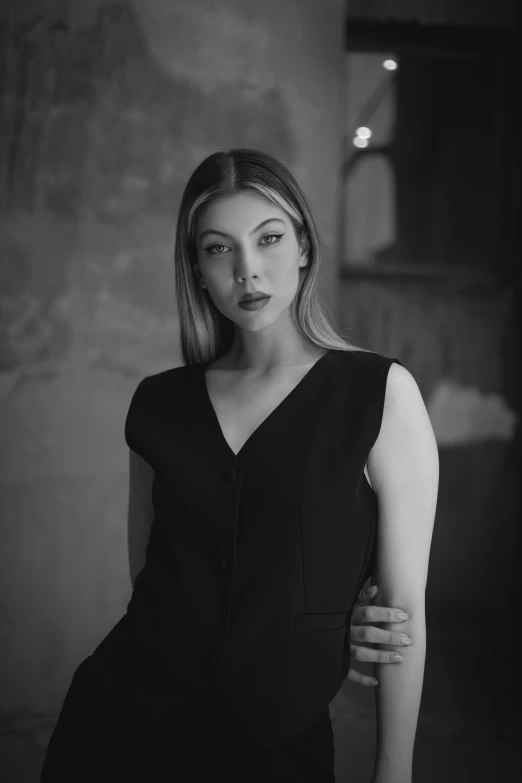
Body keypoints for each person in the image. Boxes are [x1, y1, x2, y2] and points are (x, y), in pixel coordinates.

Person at [40, 149, 438, 783]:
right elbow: (149, 579)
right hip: (118, 729)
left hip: (279, 748)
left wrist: (394, 771)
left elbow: (402, 610)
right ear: (196, 269)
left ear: (304, 247)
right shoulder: (159, 404)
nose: (248, 271)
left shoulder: (378, 393)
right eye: (218, 249)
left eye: (269, 239)